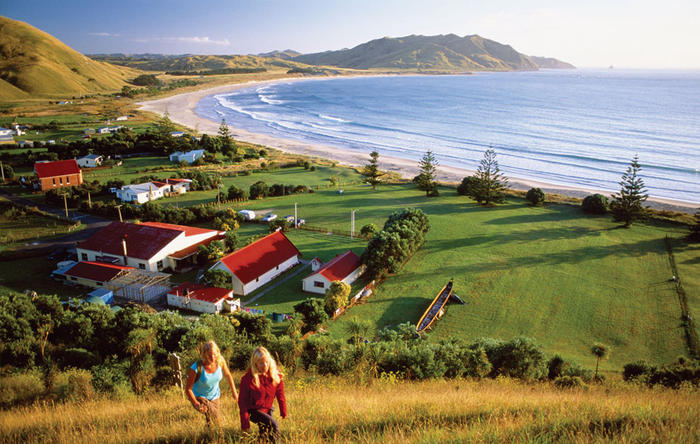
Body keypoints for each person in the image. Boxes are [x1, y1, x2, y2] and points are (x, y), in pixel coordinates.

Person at [238, 346, 287, 442]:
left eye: (266, 362)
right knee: (274, 425)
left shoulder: (275, 375)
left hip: (267, 409)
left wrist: (283, 409)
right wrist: (245, 421)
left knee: (265, 435)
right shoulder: (248, 379)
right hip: (253, 410)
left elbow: (280, 393)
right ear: (255, 363)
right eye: (261, 363)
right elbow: (242, 401)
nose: (265, 365)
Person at [185, 340, 238, 427]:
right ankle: (220, 437)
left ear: (218, 352)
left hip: (215, 397)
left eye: (215, 354)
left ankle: (206, 437)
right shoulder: (196, 368)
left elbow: (228, 375)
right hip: (199, 396)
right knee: (217, 421)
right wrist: (196, 404)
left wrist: (234, 393)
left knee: (211, 422)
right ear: (204, 354)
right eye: (209, 355)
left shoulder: (220, 361)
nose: (213, 358)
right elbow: (188, 389)